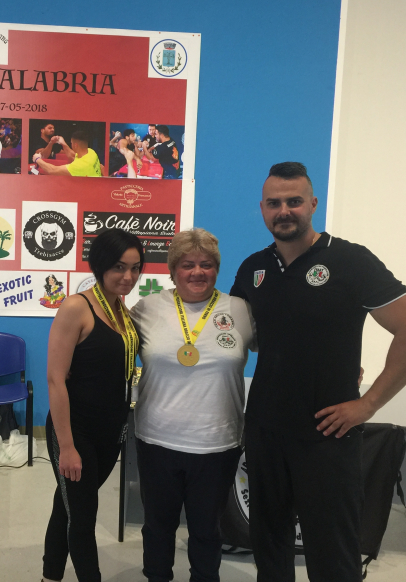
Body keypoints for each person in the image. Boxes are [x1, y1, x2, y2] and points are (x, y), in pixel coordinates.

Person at [229, 162, 406, 582]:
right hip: (265, 429)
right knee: (268, 545)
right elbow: (240, 336)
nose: (284, 211)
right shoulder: (253, 268)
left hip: (327, 434)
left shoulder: (350, 260)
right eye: (274, 203)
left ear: (313, 204)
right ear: (262, 208)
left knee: (333, 553)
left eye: (294, 201)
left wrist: (368, 404)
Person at [130, 228, 254, 582]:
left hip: (217, 445)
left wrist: (339, 363)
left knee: (206, 530)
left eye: (206, 264)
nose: (198, 272)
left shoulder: (240, 309)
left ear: (217, 269)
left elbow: (285, 346)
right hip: (157, 441)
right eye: (187, 265)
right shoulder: (147, 308)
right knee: (158, 527)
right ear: (173, 271)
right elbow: (109, 344)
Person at [42, 229, 143, 582]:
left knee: (67, 507)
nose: (128, 276)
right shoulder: (76, 307)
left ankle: (49, 576)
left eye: (135, 268)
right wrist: (67, 446)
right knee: (83, 519)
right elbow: (55, 379)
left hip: (109, 433)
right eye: (119, 267)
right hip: (76, 431)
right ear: (100, 266)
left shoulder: (121, 311)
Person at [33, 131, 102, 177]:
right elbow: (73, 155)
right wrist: (63, 143)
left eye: (71, 143)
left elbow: (52, 170)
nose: (71, 145)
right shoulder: (91, 152)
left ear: (75, 145)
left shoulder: (78, 167)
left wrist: (37, 159)